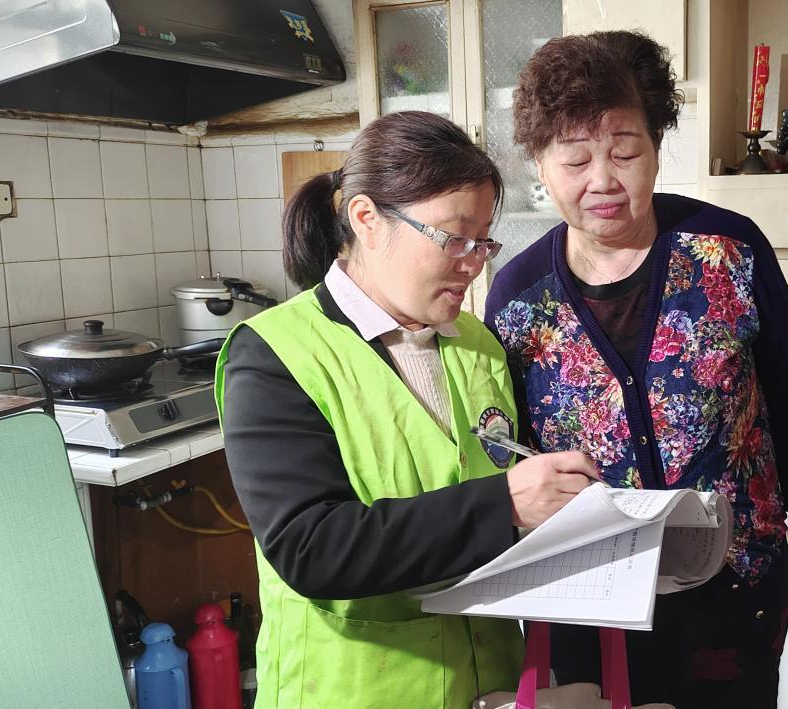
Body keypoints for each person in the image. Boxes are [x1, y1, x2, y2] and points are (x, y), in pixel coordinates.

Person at [484, 32, 788, 707]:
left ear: (656, 147)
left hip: (734, 594)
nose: (603, 179)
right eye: (575, 159)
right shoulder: (516, 297)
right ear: (540, 164)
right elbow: (507, 457)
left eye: (625, 152)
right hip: (587, 602)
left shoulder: (730, 251)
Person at [216, 111, 598, 709]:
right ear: (367, 220)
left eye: (483, 241)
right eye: (454, 238)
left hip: (490, 682)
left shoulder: (477, 343)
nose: (474, 263)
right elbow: (310, 547)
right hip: (356, 689)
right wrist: (503, 504)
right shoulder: (275, 355)